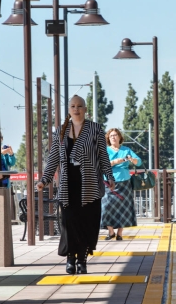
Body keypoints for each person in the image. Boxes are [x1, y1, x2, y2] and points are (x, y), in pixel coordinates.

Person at [36, 95, 115, 275]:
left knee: (87, 223)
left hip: (90, 186)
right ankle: (70, 258)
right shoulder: (60, 132)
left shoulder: (95, 129)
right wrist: (44, 180)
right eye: (72, 106)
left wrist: (109, 176)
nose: (76, 109)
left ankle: (82, 259)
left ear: (85, 109)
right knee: (69, 223)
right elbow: (53, 159)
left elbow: (103, 156)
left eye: (79, 106)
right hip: (68, 186)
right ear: (69, 109)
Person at [101, 128, 142, 240]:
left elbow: (139, 162)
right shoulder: (105, 151)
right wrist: (114, 162)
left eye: (115, 135)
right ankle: (110, 231)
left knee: (124, 208)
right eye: (111, 136)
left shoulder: (126, 149)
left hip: (124, 181)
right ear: (108, 139)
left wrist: (132, 159)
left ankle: (119, 233)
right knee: (105, 207)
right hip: (108, 182)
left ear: (119, 137)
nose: (113, 137)